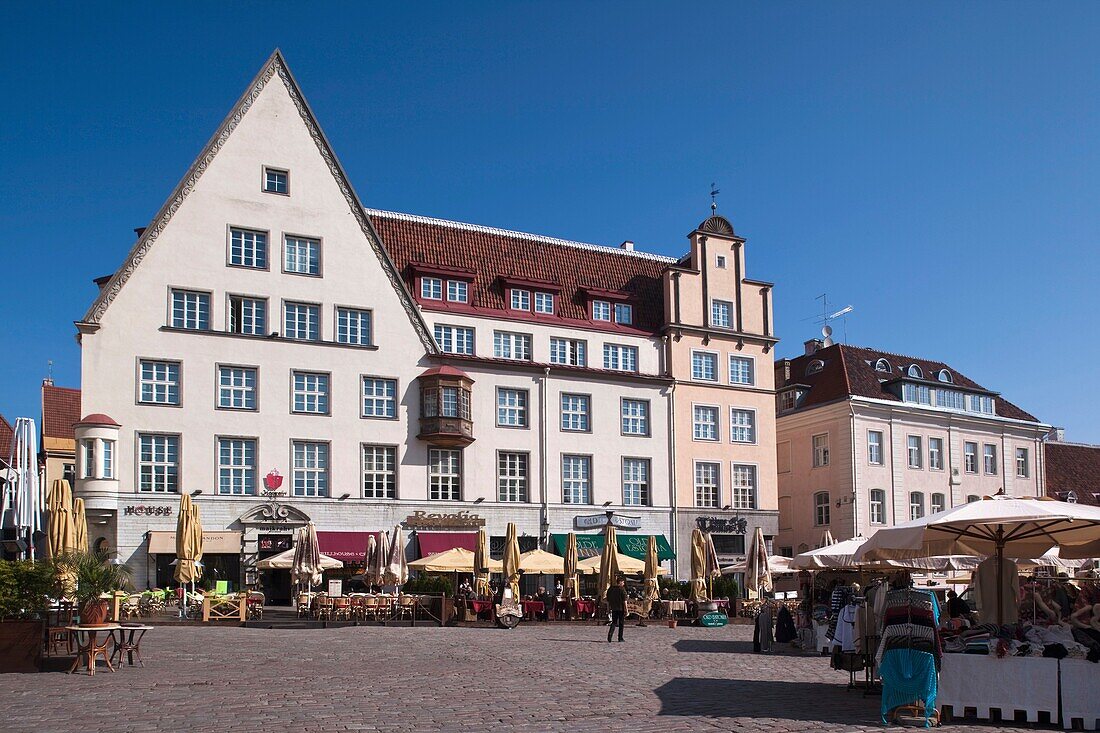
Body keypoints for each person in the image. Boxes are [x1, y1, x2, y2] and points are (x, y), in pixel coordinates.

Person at [606, 576, 627, 643]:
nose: (623, 583)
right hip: (621, 608)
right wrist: (626, 610)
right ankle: (620, 638)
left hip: (614, 608)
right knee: (621, 623)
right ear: (620, 582)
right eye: (623, 582)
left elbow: (608, 600)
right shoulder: (622, 589)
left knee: (614, 622)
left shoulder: (611, 589)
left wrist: (608, 608)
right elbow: (625, 601)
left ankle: (610, 634)